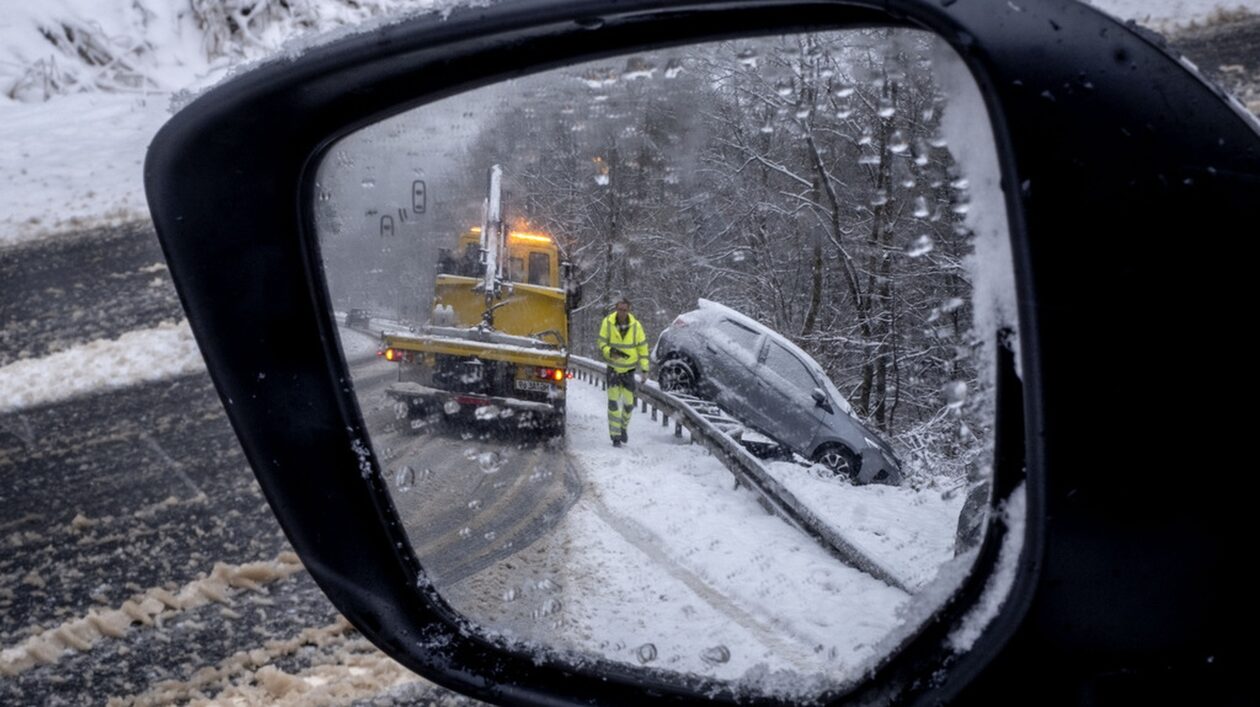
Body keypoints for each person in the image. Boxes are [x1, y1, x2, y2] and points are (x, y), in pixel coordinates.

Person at [598, 296, 649, 447]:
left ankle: (623, 428)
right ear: (616, 309)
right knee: (613, 404)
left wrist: (645, 369)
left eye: (625, 310)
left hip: (629, 371)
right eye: (620, 309)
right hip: (613, 369)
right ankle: (615, 437)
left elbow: (643, 348)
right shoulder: (607, 323)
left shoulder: (636, 326)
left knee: (628, 404)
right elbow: (601, 342)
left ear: (629, 310)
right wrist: (609, 351)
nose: (622, 313)